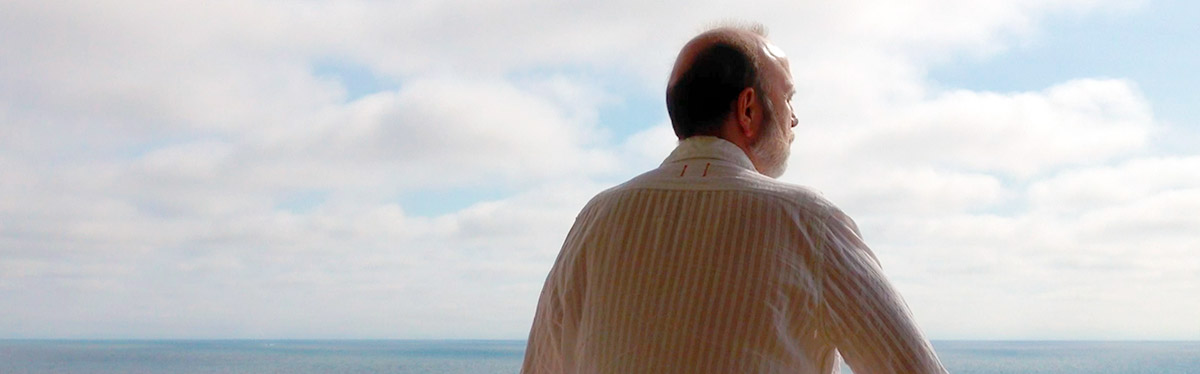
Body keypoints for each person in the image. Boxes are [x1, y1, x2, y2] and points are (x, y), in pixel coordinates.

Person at [521, 24, 947, 374]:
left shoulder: (597, 218)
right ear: (748, 109)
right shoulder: (808, 222)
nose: (794, 117)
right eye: (787, 97)